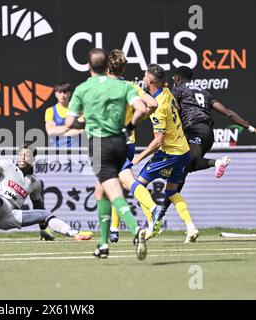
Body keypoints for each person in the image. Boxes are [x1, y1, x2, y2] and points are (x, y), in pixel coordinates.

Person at [156, 66, 256, 228]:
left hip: (195, 131)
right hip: (208, 134)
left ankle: (217, 163)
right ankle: (160, 216)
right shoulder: (204, 93)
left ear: (178, 78)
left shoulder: (178, 90)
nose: (174, 81)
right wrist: (251, 128)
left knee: (184, 164)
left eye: (174, 79)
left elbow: (169, 108)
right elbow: (228, 113)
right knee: (182, 170)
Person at [65, 48, 149, 260]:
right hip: (123, 143)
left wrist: (81, 123)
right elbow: (145, 108)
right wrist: (130, 127)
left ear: (89, 66)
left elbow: (71, 122)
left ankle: (135, 229)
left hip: (101, 145)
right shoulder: (125, 86)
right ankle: (103, 245)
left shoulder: (86, 88)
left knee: (114, 192)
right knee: (101, 192)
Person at [0, 145, 92, 241]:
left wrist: (43, 229)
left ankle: (75, 234)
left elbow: (38, 206)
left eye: (27, 155)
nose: (22, 158)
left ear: (33, 159)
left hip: (9, 217)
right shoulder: (7, 165)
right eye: (20, 155)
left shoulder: (34, 182)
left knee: (45, 213)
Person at [131, 64, 198, 243]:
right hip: (183, 150)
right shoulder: (167, 93)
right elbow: (177, 107)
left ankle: (153, 225)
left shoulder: (158, 107)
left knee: (137, 185)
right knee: (171, 192)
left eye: (145, 75)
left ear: (151, 79)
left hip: (170, 153)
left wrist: (140, 156)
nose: (144, 78)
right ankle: (191, 227)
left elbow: (158, 140)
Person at [105, 49, 162, 243]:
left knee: (126, 182)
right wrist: (137, 120)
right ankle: (113, 229)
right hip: (129, 143)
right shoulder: (130, 86)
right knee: (118, 186)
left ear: (107, 68)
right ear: (123, 68)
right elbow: (152, 104)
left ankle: (154, 208)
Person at [44, 82, 84, 148]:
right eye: (60, 92)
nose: (62, 95)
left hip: (76, 150)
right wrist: (71, 126)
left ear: (69, 94)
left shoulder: (79, 110)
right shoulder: (50, 111)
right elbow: (51, 132)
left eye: (65, 92)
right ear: (56, 94)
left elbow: (82, 131)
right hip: (57, 150)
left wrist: (60, 131)